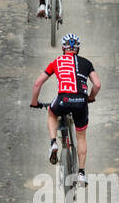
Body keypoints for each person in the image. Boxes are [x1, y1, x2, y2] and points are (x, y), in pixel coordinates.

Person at [29, 33, 100, 186]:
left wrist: (34, 102)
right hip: (81, 102)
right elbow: (97, 84)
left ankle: (54, 142)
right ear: (78, 49)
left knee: (52, 113)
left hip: (63, 100)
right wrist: (91, 97)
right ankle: (81, 173)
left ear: (63, 48)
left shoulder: (56, 62)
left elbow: (37, 84)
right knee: (81, 137)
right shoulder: (87, 63)